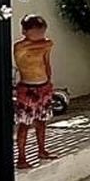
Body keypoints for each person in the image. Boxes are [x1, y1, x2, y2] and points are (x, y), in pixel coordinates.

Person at [13, 14, 57, 169]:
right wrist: (45, 43)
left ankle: (42, 150)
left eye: (42, 33)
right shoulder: (20, 46)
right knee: (24, 124)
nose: (40, 37)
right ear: (25, 31)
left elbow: (46, 62)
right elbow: (30, 47)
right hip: (27, 88)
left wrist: (49, 81)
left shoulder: (45, 45)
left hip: (43, 86)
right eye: (36, 33)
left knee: (42, 122)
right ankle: (21, 157)